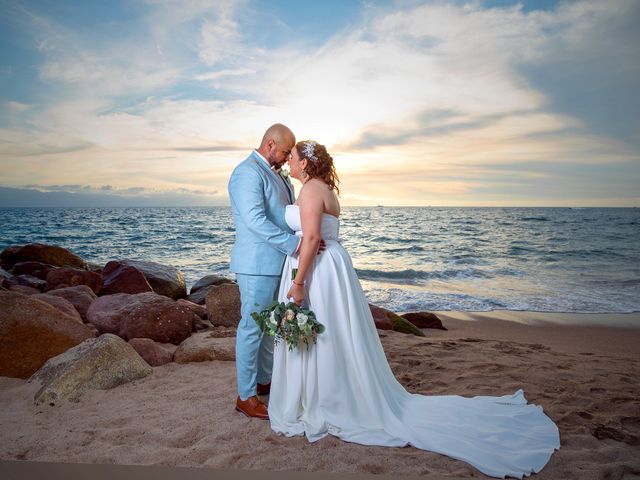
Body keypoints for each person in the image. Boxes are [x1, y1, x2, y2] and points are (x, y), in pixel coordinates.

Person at [267, 140, 560, 479]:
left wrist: (299, 281)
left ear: (305, 163)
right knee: (334, 333)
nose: (289, 162)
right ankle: (330, 390)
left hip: (317, 271)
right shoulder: (325, 189)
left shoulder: (310, 191)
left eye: (293, 158)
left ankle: (324, 399)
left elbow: (313, 237)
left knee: (323, 334)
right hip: (333, 266)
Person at [227, 123, 299, 419]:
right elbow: (255, 220)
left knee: (270, 327)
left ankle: (264, 380)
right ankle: (245, 397)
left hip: (277, 264)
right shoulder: (247, 173)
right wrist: (294, 244)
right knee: (252, 328)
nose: (286, 158)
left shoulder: (277, 176)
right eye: (284, 152)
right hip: (256, 265)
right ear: (270, 144)